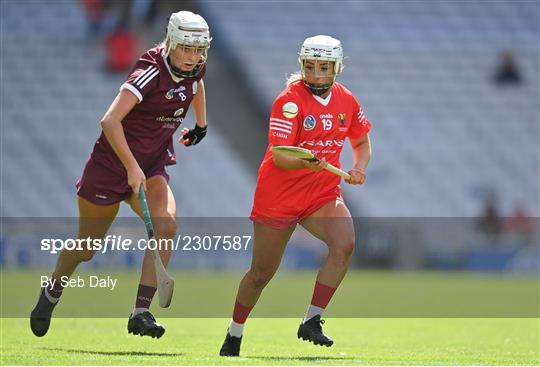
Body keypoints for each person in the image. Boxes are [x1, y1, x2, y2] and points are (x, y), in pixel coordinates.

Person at [30, 10, 211, 339]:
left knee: (165, 224)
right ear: (170, 42)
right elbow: (109, 120)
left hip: (153, 164)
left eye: (199, 50)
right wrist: (130, 167)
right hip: (111, 168)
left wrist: (201, 123)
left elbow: (196, 84)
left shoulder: (195, 66)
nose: (193, 57)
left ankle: (141, 312)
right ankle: (53, 288)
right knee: (87, 248)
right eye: (186, 48)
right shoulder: (149, 71)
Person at [219, 35, 372, 356]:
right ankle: (235, 332)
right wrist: (307, 159)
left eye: (324, 67)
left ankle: (312, 320)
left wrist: (360, 166)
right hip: (279, 196)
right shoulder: (289, 101)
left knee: (344, 245)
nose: (316, 74)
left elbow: (361, 142)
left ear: (337, 68)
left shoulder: (347, 100)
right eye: (311, 67)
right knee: (261, 274)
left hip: (322, 194)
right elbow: (279, 156)